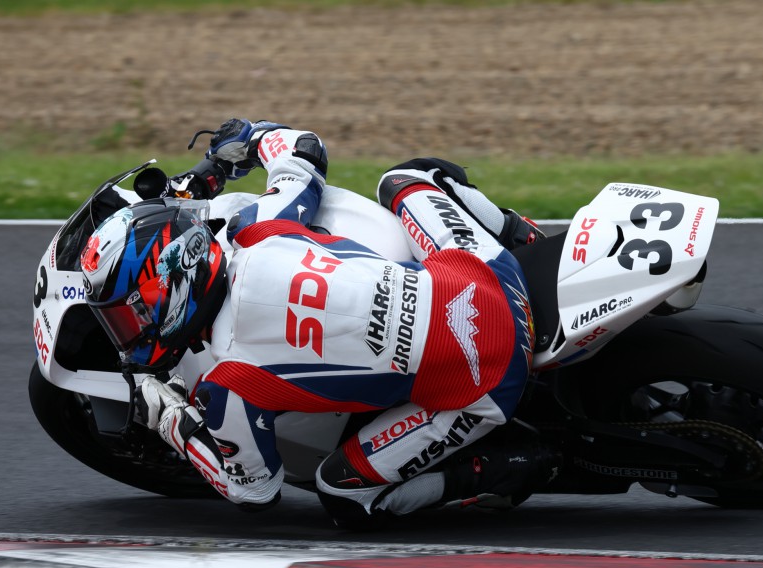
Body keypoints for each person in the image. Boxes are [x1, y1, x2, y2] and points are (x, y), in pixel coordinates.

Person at [82, 118, 559, 527]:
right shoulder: (259, 230)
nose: (129, 336)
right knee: (406, 178)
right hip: (491, 275)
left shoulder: (227, 383)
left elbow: (254, 491)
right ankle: (528, 241)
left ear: (173, 281)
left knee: (342, 494)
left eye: (130, 315)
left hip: (486, 385)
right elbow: (304, 151)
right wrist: (243, 143)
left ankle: (511, 465)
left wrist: (169, 418)